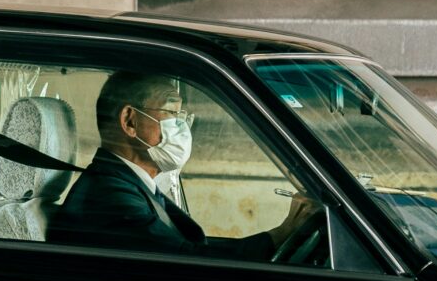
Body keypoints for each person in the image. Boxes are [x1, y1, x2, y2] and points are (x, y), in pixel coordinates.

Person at [50, 70, 317, 259]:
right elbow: (186, 263)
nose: (182, 126)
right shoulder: (108, 197)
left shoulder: (130, 184)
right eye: (172, 113)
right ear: (130, 121)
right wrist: (280, 234)